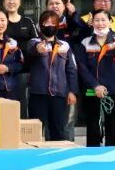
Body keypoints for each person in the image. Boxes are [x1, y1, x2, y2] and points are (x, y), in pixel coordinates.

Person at [74, 10, 115, 147]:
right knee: (92, 127)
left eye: (103, 20)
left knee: (113, 129)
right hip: (91, 90)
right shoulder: (85, 42)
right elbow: (82, 68)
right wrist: (95, 85)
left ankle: (110, 156)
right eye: (97, 20)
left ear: (110, 22)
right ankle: (92, 156)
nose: (100, 23)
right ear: (92, 23)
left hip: (114, 91)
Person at [27, 11, 79, 141]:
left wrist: (72, 91)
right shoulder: (34, 41)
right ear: (41, 25)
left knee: (58, 130)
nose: (49, 25)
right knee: (36, 131)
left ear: (57, 26)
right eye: (46, 22)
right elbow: (32, 49)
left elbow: (71, 69)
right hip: (38, 93)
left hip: (59, 94)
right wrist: (38, 48)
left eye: (53, 23)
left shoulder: (64, 45)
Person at [2, 0, 38, 118]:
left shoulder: (27, 21)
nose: (11, 2)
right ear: (3, 2)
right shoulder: (1, 20)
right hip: (5, 70)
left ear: (20, 2)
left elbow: (36, 42)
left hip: (24, 70)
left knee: (22, 103)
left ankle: (23, 127)